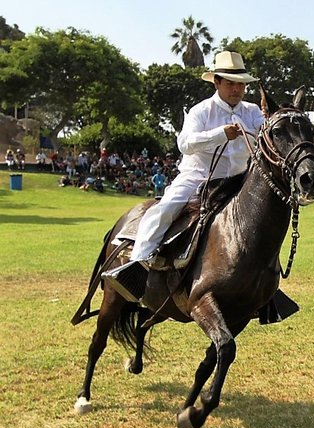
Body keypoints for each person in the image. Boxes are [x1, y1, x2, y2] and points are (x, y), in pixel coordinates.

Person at [102, 51, 265, 302]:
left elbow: (267, 135)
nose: (237, 89)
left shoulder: (253, 111)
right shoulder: (201, 111)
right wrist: (221, 133)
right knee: (166, 208)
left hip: (240, 180)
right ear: (217, 83)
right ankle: (135, 268)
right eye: (231, 83)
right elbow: (185, 144)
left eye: (241, 84)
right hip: (198, 178)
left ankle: (266, 286)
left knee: (265, 216)